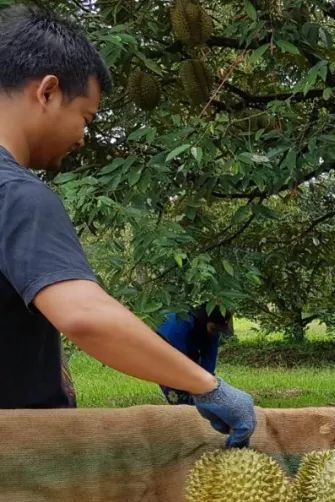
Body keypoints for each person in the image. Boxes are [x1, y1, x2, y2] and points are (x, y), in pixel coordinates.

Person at [0, 5, 254, 446]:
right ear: (47, 92)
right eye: (86, 117)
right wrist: (207, 385)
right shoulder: (17, 195)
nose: (83, 136)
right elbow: (85, 316)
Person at [158, 306, 234, 404]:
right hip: (166, 352)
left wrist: (207, 383)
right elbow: (177, 362)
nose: (215, 333)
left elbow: (209, 358)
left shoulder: (212, 330)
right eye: (214, 329)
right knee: (181, 399)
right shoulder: (179, 325)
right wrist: (192, 385)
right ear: (205, 320)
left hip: (187, 350)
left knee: (204, 396)